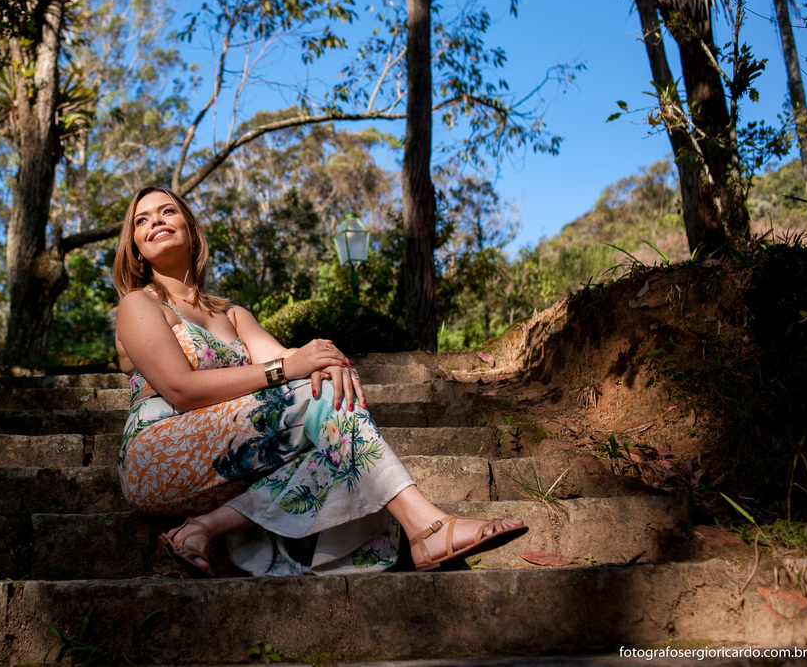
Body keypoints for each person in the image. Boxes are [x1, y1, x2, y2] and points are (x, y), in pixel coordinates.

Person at [112, 186, 526, 577]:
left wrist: (327, 360)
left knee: (337, 430)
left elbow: (287, 358)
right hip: (158, 455)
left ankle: (204, 526)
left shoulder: (232, 314)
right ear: (135, 246)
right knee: (328, 413)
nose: (156, 221)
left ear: (190, 229)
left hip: (226, 453)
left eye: (168, 211)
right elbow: (181, 389)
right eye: (142, 220)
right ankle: (428, 526)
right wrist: (292, 371)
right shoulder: (138, 304)